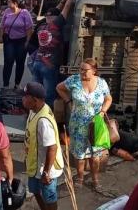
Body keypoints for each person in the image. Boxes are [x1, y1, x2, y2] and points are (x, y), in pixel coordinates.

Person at [56, 58, 113, 190]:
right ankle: (80, 178)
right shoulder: (74, 80)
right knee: (79, 154)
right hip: (77, 124)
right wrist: (68, 101)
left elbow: (108, 99)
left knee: (96, 155)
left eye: (85, 70)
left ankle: (95, 179)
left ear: (93, 71)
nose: (82, 72)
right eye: (80, 69)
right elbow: (59, 88)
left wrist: (103, 111)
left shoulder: (102, 83)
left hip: (96, 125)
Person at [30, 0, 80, 107]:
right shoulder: (56, 25)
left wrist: (62, 0)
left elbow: (56, 10)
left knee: (35, 92)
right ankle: (47, 115)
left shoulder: (41, 25)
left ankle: (32, 111)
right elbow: (66, 8)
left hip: (37, 62)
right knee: (49, 94)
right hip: (49, 65)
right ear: (55, 17)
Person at [22, 82, 64, 210]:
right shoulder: (34, 110)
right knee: (35, 191)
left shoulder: (43, 122)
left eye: (25, 96)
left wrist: (46, 172)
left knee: (49, 197)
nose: (23, 99)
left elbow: (52, 147)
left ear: (34, 100)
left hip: (46, 169)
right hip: (35, 166)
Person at [0, 0, 34, 89]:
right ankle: (5, 84)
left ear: (15, 3)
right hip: (9, 40)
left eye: (9, 2)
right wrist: (0, 37)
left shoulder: (24, 13)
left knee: (20, 62)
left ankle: (17, 84)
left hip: (21, 41)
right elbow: (2, 26)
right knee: (8, 62)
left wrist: (27, 41)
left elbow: (29, 28)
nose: (8, 3)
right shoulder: (7, 11)